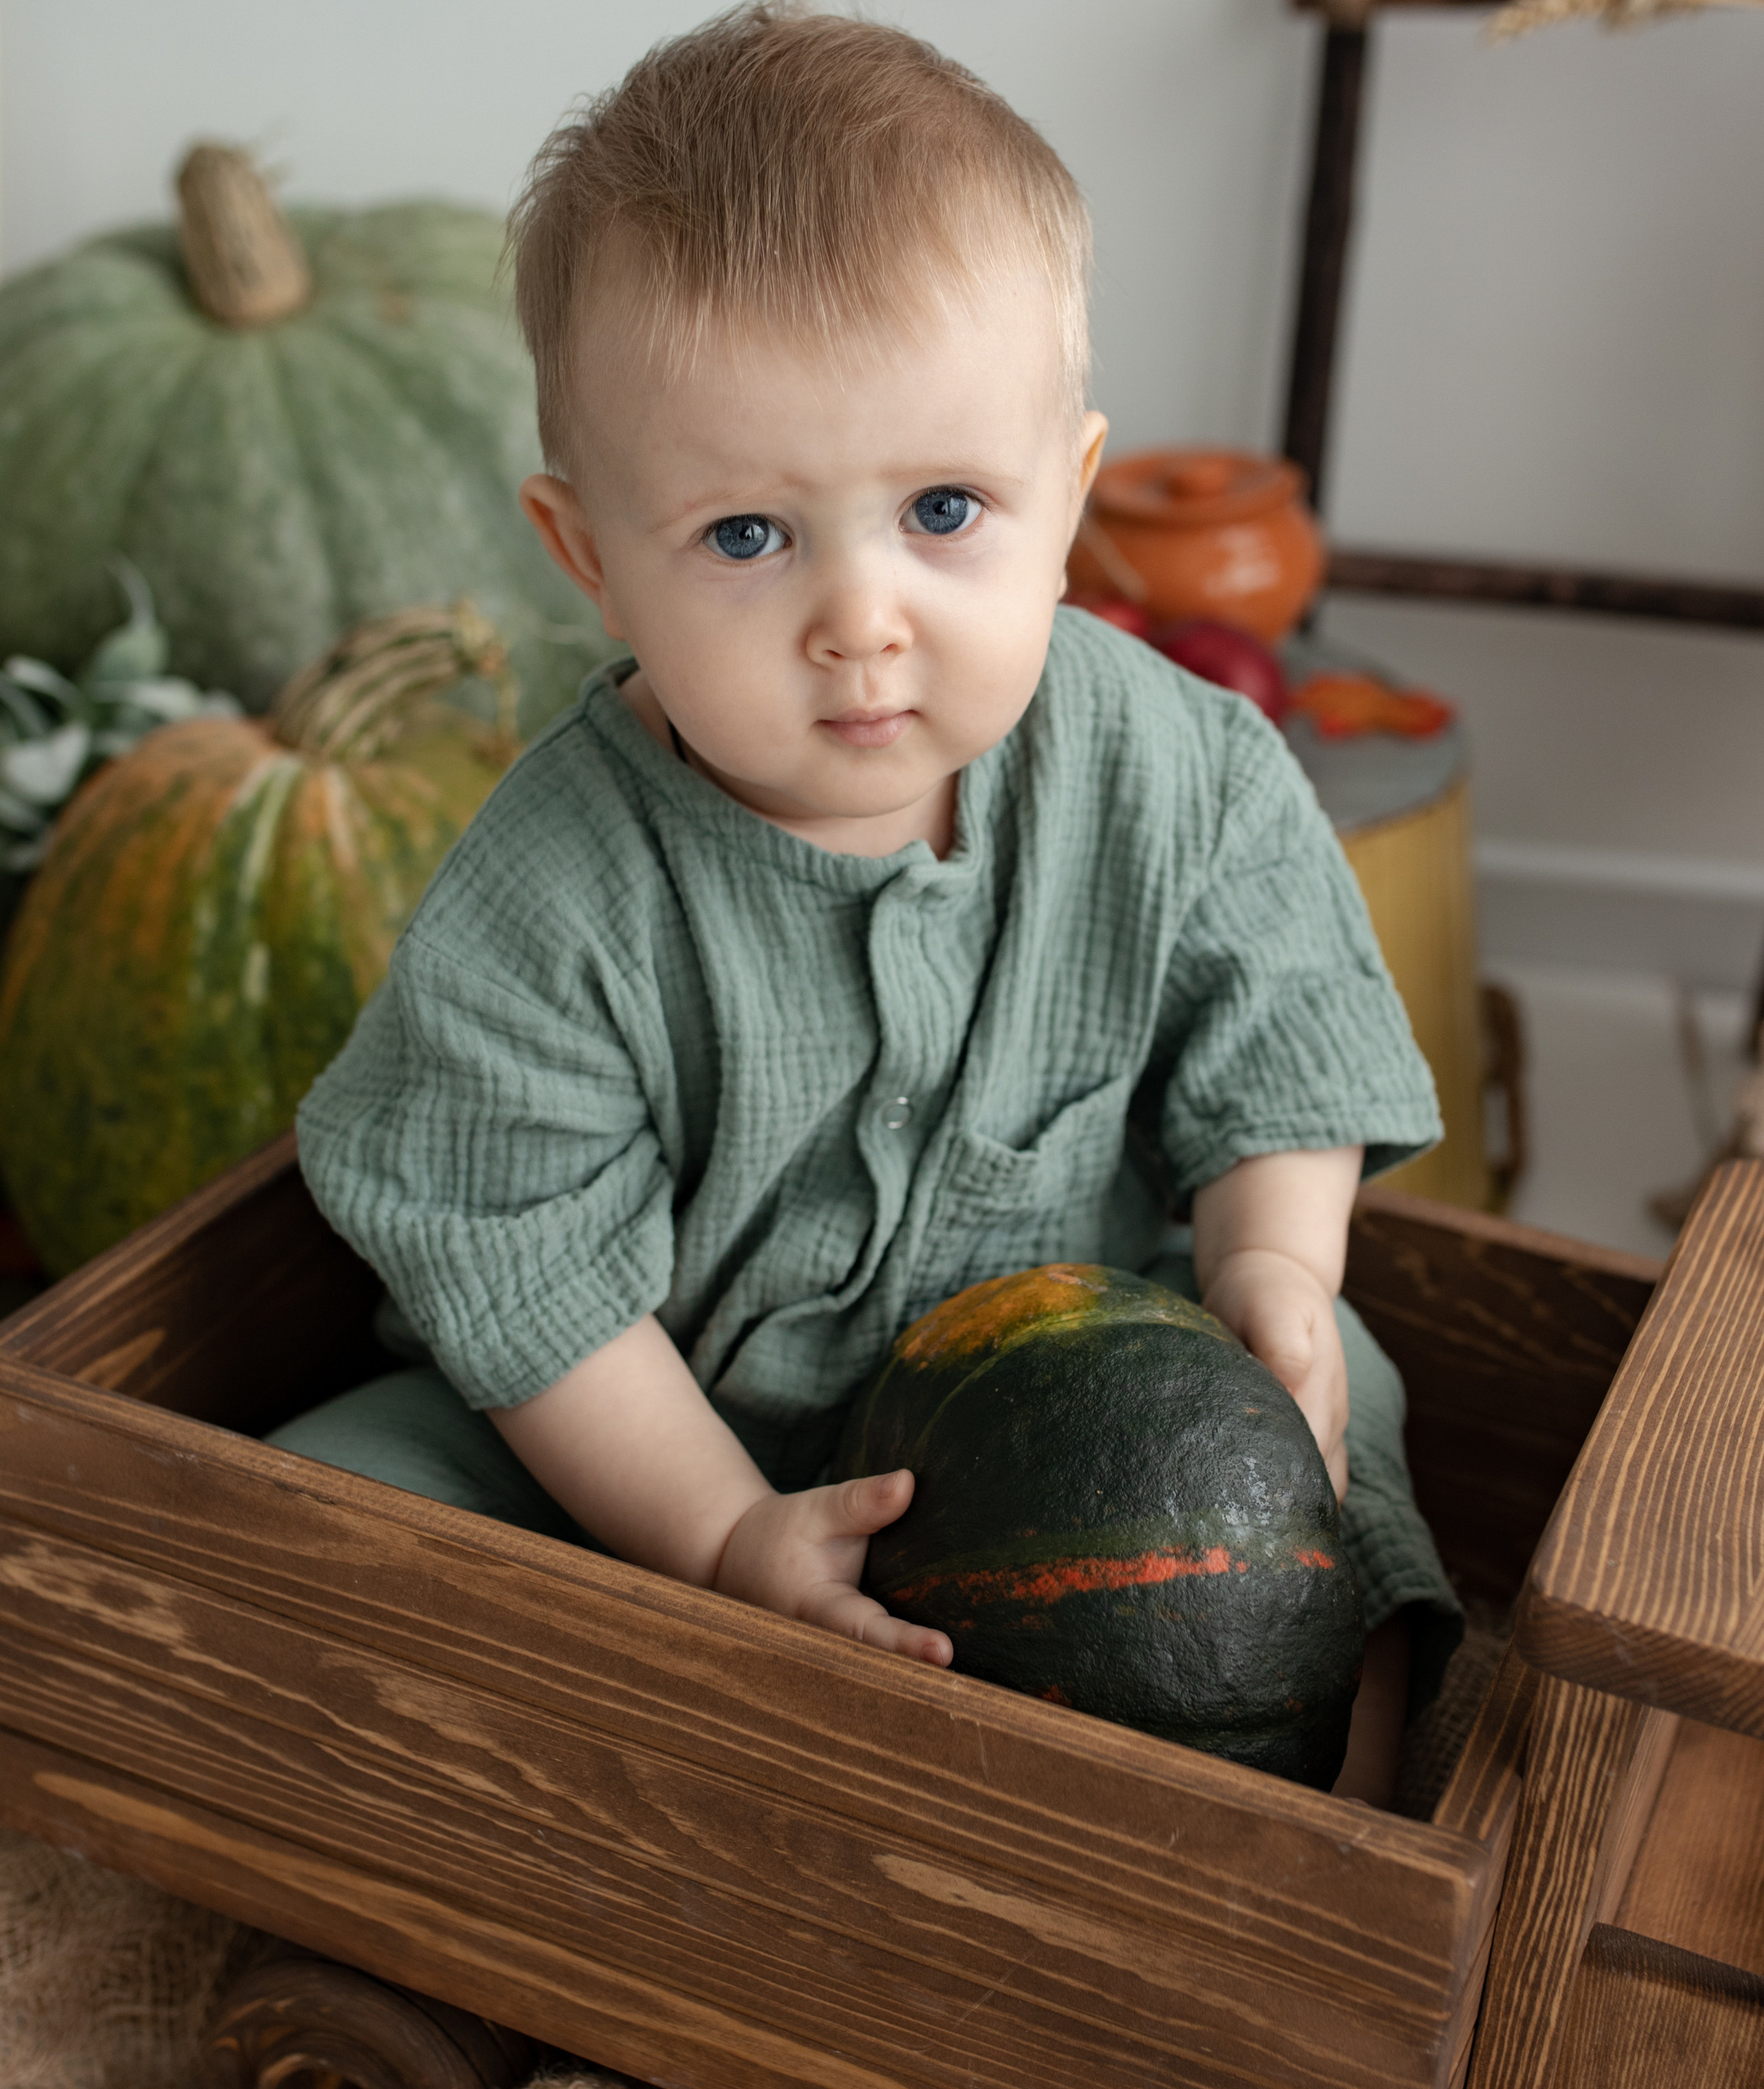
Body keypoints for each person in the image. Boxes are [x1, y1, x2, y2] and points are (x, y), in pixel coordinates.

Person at [281, 2, 1460, 1804]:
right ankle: (567, 1799)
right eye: (746, 535)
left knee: (1336, 1393)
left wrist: (1270, 1260)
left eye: (940, 507)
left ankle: (1336, 1800)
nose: (859, 615)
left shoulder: (1181, 768)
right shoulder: (545, 898)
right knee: (335, 1494)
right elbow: (514, 1264)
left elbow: (1282, 1034)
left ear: (1066, 499)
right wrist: (718, 1532)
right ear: (588, 553)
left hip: (1073, 1404)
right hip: (656, 1423)